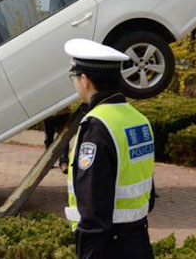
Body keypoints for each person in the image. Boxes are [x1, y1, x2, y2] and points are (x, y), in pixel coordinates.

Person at [64, 39, 155, 259]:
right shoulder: (138, 120)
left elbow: (93, 207)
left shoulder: (96, 127)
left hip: (108, 246)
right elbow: (148, 194)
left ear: (84, 80)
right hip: (138, 240)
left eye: (74, 77)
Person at [43, 105, 87, 174]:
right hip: (48, 112)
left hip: (63, 112)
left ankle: (64, 162)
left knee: (64, 139)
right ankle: (48, 161)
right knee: (49, 138)